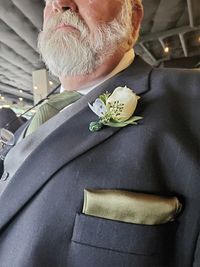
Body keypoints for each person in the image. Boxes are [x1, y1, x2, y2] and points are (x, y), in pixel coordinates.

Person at [0, 0, 199, 266]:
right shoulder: (31, 123)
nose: (60, 4)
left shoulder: (191, 100)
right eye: (49, 0)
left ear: (134, 18)